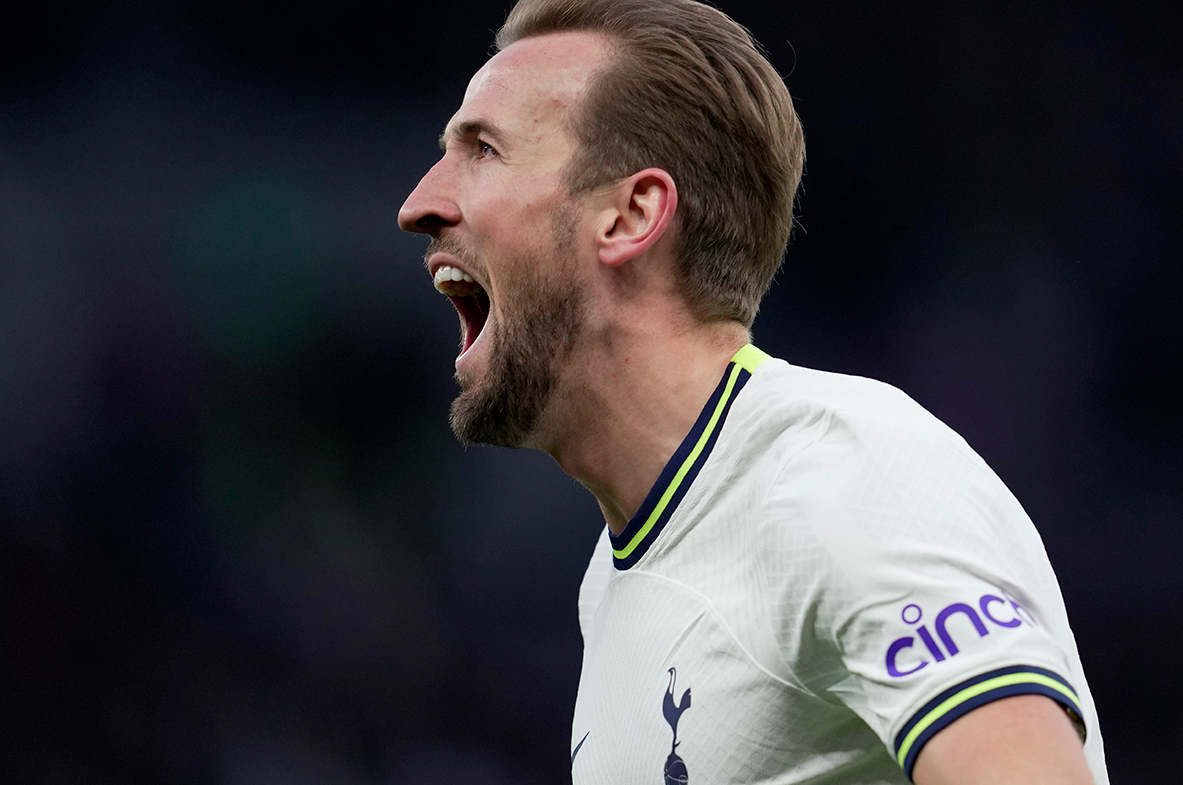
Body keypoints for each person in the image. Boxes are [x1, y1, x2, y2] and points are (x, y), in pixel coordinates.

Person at [397, 1, 1108, 783]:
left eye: (484, 150)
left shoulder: (845, 476)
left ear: (631, 215)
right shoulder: (616, 576)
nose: (418, 203)